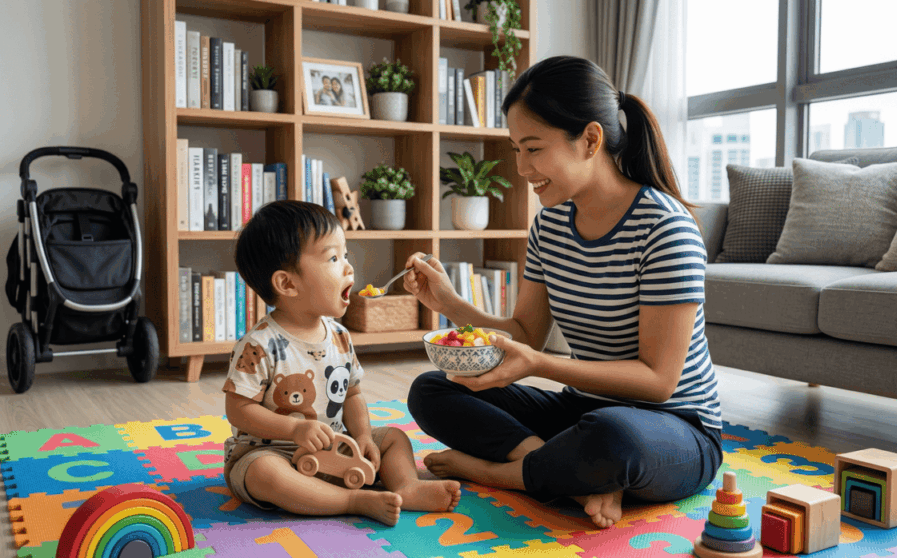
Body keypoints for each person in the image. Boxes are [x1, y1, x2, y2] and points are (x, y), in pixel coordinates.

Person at [402, 55, 722, 530]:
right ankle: (571, 472)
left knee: (614, 437)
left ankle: (504, 473)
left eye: (533, 148)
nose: (521, 167)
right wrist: (449, 304)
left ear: (590, 139)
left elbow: (659, 381)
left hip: (674, 427)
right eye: (516, 149)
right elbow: (525, 334)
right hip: (583, 412)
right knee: (432, 389)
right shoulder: (550, 226)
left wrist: (541, 365)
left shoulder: (666, 229)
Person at [225, 200, 462, 526]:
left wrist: (363, 436)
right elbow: (238, 410)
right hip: (273, 452)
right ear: (287, 284)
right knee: (264, 474)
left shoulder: (339, 335)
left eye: (345, 255)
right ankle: (352, 500)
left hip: (338, 449)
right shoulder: (258, 345)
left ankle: (407, 487)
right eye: (334, 258)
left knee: (393, 437)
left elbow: (351, 394)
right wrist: (294, 429)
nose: (349, 268)